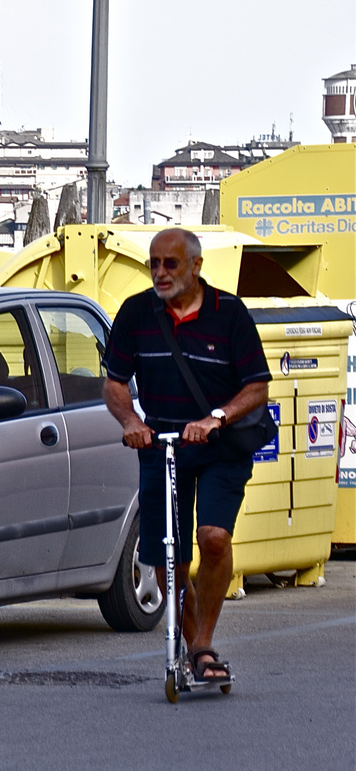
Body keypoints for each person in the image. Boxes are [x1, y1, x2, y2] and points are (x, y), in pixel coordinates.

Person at [102, 228, 269, 684]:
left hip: (220, 448)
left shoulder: (229, 314)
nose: (160, 272)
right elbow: (115, 384)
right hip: (162, 445)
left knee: (213, 538)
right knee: (165, 554)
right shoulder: (136, 313)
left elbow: (257, 387)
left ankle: (203, 644)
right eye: (153, 263)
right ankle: (196, 648)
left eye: (170, 264)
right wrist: (131, 423)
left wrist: (216, 417)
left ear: (196, 266)